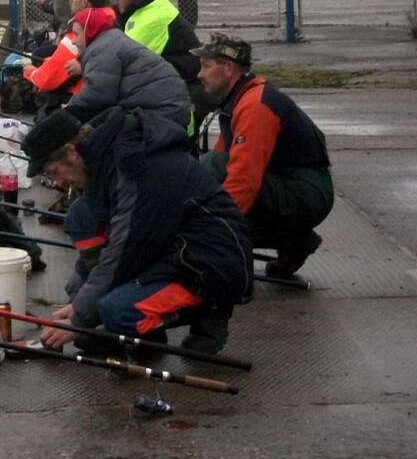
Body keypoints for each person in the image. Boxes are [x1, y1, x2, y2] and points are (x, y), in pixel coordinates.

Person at [22, 108, 253, 354]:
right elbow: (107, 250)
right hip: (165, 247)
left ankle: (211, 310)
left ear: (71, 152)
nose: (57, 183)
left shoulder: (131, 166)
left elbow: (124, 251)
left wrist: (80, 320)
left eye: (54, 172)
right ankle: (134, 331)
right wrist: (78, 303)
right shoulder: (102, 161)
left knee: (115, 309)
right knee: (80, 221)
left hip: (206, 261)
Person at [193, 34, 333, 278]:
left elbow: (242, 179)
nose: (199, 74)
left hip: (305, 192)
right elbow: (223, 160)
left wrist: (216, 233)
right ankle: (295, 241)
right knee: (209, 175)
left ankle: (288, 237)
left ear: (228, 68)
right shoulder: (240, 97)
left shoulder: (254, 105)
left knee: (214, 169)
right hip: (293, 188)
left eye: (206, 66)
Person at [100, 0, 209, 136]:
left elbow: (124, 59)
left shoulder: (152, 19)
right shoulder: (147, 10)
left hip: (181, 94)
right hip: (175, 88)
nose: (115, 2)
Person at [61, 20, 191, 131]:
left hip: (160, 116)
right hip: (164, 109)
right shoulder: (108, 40)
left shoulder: (104, 49)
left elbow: (97, 94)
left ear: (89, 31)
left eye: (77, 35)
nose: (73, 41)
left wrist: (68, 110)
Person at [23, 0, 117, 119]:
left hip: (79, 97)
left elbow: (46, 80)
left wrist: (30, 71)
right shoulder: (109, 19)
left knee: (42, 89)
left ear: (85, 2)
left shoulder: (81, 29)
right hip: (96, 93)